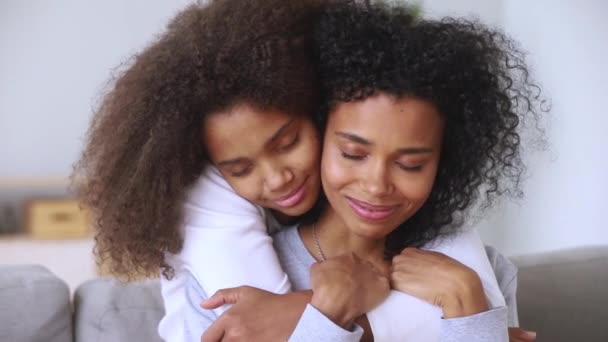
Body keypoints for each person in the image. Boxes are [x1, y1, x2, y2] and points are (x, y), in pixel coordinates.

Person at [72, 0, 541, 341]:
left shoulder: (481, 273)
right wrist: (327, 313)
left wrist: (467, 305)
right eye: (354, 153)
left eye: (411, 163)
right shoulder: (221, 288)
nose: (377, 184)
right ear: (327, 124)